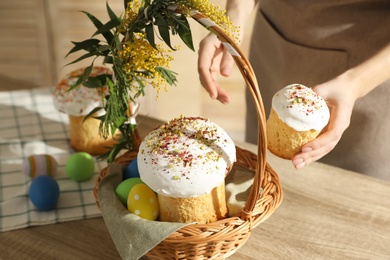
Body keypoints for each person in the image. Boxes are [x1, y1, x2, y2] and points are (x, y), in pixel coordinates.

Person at [198, 0, 390, 181]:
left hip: (368, 73)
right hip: (274, 46)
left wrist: (355, 82)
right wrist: (233, 17)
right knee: (261, 178)